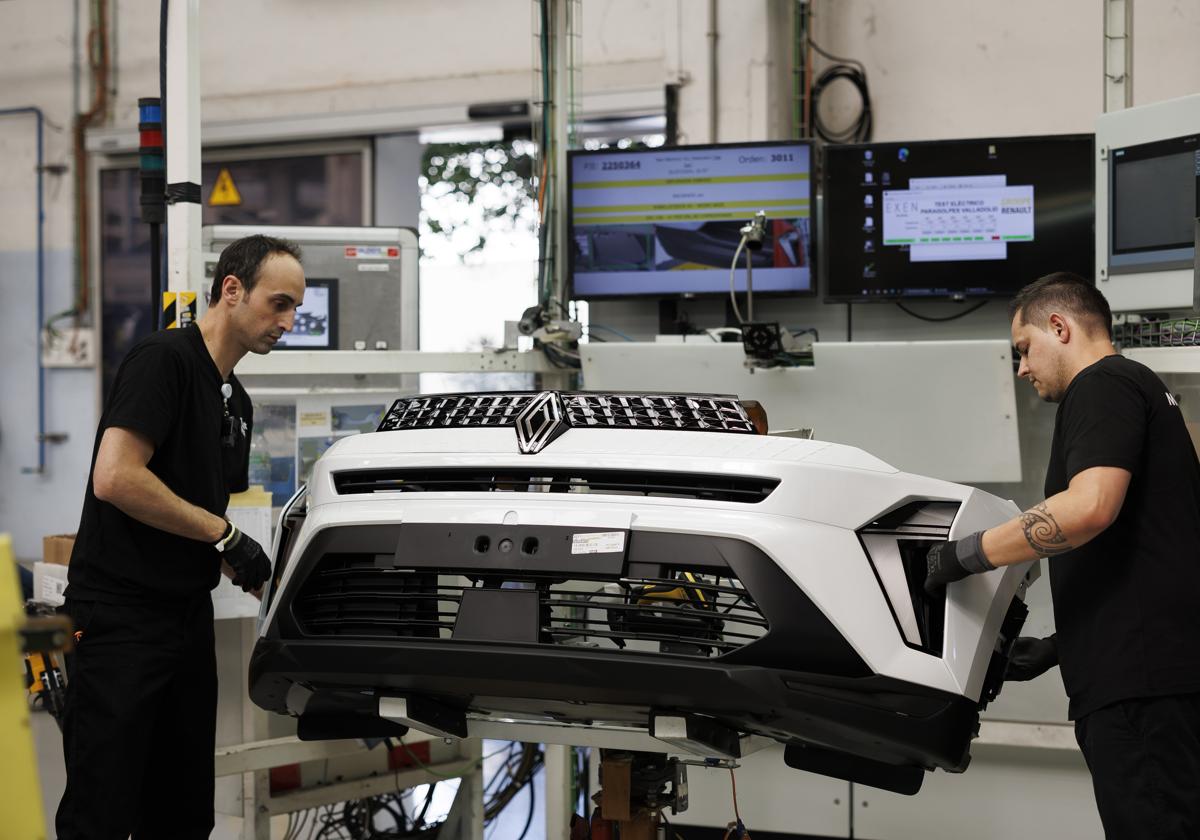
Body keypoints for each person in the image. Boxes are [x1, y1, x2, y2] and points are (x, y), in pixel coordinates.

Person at [924, 272, 1200, 839]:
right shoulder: (1143, 393)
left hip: (1140, 693)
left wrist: (959, 557)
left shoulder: (1104, 383)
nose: (1022, 369)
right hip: (1154, 682)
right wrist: (1060, 647)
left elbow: (1089, 509)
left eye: (1023, 350)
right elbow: (1157, 554)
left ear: (1059, 326)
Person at [56, 234, 305, 839]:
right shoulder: (163, 360)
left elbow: (188, 512)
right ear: (231, 289)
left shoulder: (236, 403)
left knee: (184, 811)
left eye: (295, 308)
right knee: (104, 810)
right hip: (120, 621)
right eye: (278, 304)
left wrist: (260, 578)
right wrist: (224, 536)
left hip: (184, 622)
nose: (288, 322)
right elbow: (116, 477)